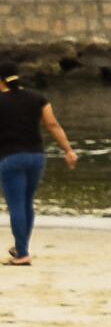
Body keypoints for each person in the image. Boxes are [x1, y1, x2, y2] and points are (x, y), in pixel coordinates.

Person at [0, 64, 76, 265]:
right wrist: (68, 150)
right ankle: (20, 247)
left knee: (16, 205)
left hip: (10, 159)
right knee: (26, 202)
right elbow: (52, 125)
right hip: (36, 157)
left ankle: (23, 253)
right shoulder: (37, 98)